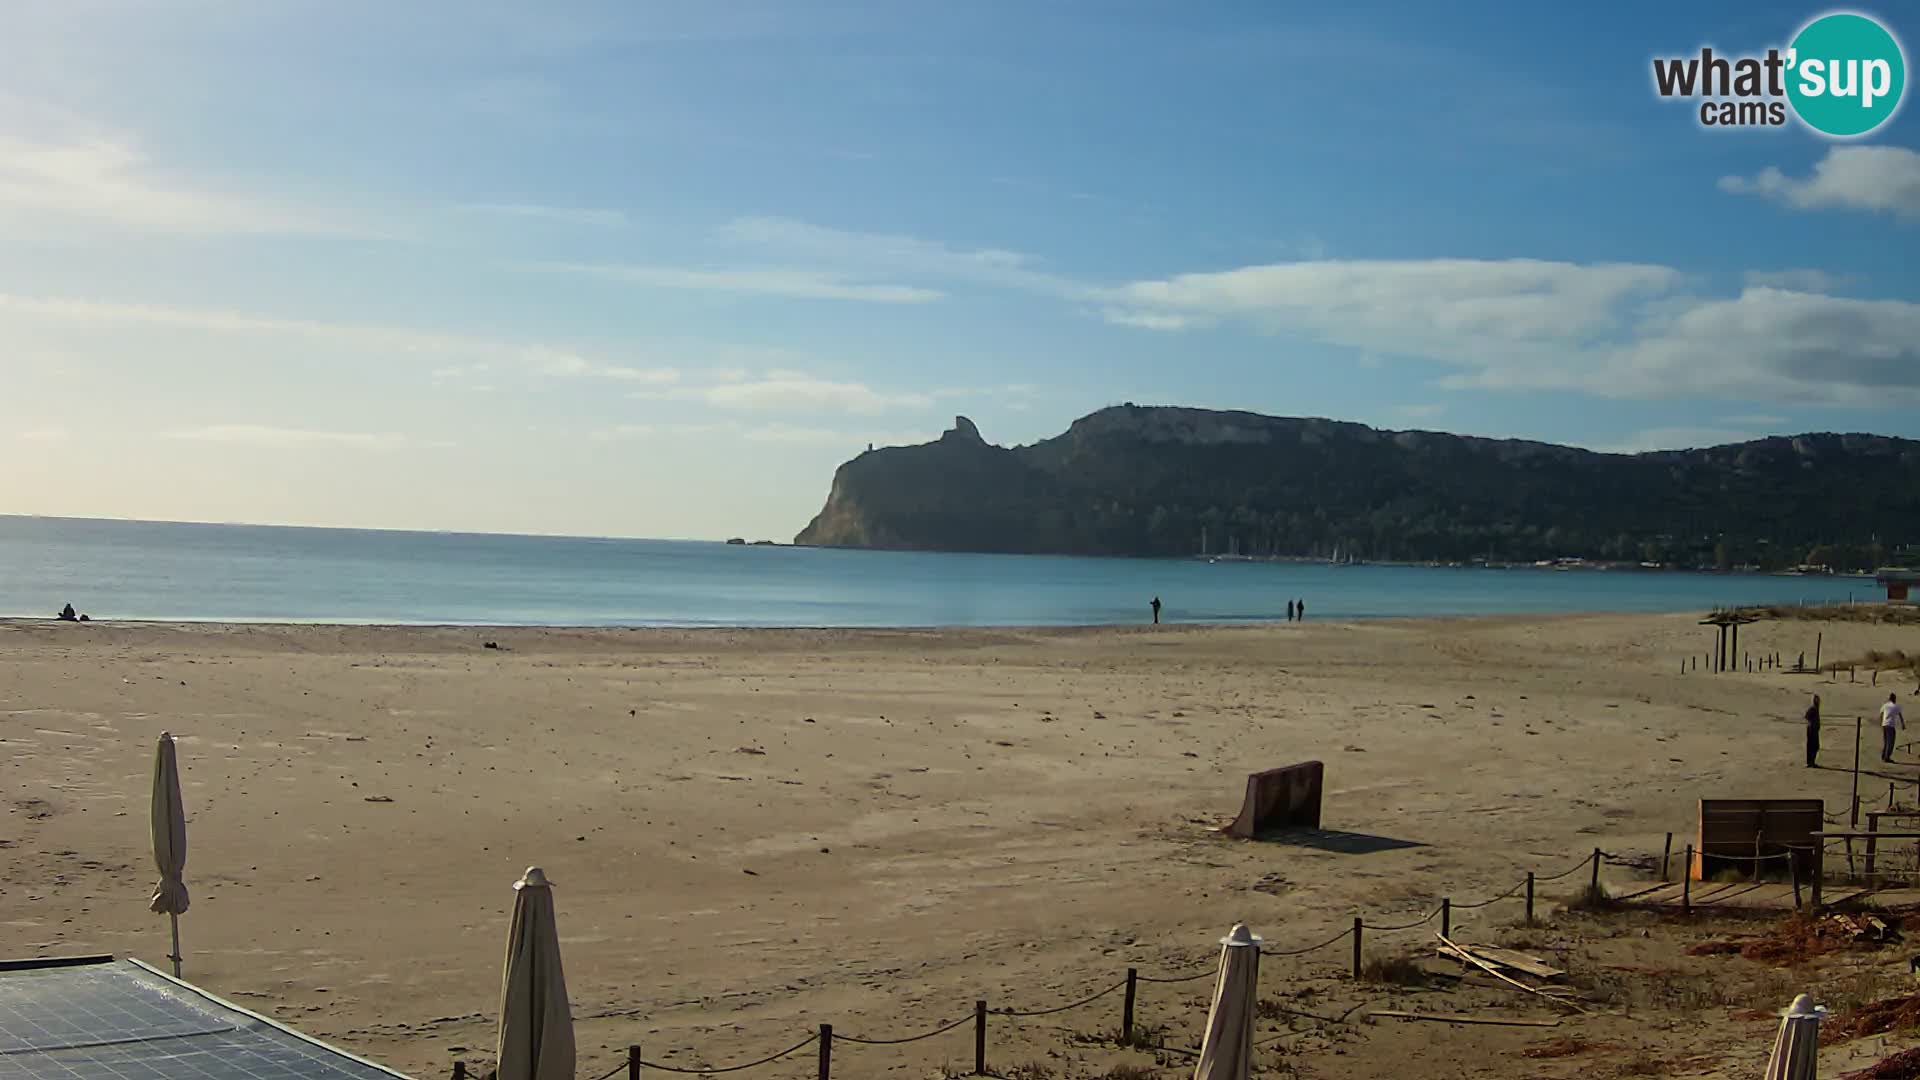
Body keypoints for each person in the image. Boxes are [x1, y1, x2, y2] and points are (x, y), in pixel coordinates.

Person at [1882, 692, 1906, 763]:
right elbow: (1900, 716)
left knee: (1886, 741)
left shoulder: (1885, 705)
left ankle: (1884, 755)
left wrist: (1882, 723)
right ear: (1894, 699)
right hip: (1890, 725)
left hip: (1884, 725)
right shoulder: (1896, 706)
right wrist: (1903, 725)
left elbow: (1881, 713)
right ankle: (1887, 757)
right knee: (1891, 742)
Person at [1805, 694, 1821, 768]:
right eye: (1816, 699)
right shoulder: (1813, 708)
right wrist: (1811, 723)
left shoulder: (1816, 708)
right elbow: (1806, 716)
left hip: (1814, 730)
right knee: (1813, 746)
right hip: (1812, 730)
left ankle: (1811, 762)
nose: (1818, 701)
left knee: (1815, 746)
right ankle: (1810, 762)